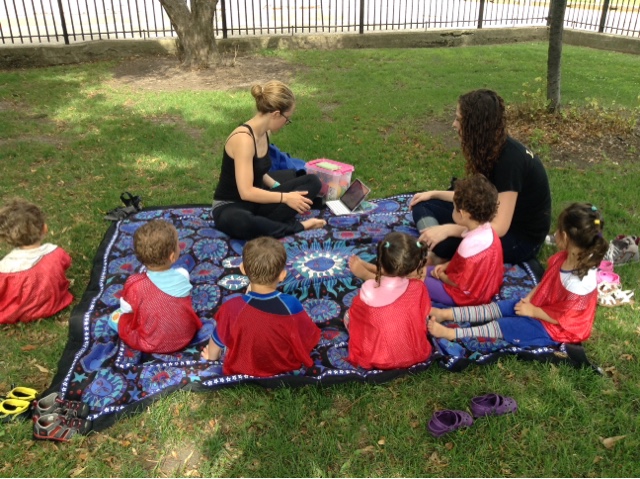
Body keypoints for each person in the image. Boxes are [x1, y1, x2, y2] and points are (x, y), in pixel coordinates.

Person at [428, 203, 608, 347]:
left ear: (566, 237)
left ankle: (452, 333)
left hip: (555, 327)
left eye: (558, 231)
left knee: (506, 326)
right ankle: (445, 314)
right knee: (501, 307)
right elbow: (547, 283)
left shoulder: (579, 284)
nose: (554, 233)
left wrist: (533, 311)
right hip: (543, 305)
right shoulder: (565, 257)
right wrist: (529, 299)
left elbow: (564, 318)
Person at [410, 89, 551, 265]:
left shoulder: (510, 161)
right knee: (422, 205)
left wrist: (449, 230)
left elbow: (500, 227)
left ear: (475, 125)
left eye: (459, 120)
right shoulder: (489, 148)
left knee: (445, 244)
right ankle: (434, 243)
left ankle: (438, 249)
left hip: (519, 238)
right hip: (487, 216)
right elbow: (474, 199)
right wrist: (433, 194)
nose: (454, 124)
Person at [212, 80, 326, 240]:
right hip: (232, 206)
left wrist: (278, 187)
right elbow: (246, 192)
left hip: (257, 201)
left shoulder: (265, 132)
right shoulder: (243, 140)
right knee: (243, 222)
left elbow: (258, 171)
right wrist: (285, 197)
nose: (286, 123)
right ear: (276, 114)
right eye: (287, 119)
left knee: (312, 182)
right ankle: (296, 227)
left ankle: (267, 225)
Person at [202, 236, 321, 377]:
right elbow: (308, 338)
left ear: (242, 269)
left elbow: (217, 342)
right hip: (284, 368)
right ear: (282, 275)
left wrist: (211, 357)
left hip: (242, 369)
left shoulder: (230, 308)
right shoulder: (291, 304)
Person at [110, 220, 203, 354]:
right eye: (178, 245)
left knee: (117, 318)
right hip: (186, 335)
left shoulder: (134, 284)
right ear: (172, 256)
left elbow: (126, 310)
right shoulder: (183, 275)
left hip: (151, 343)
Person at [345, 232, 433, 370]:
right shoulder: (418, 288)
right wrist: (365, 268)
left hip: (379, 357)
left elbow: (358, 315)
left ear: (380, 260)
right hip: (414, 353)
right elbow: (395, 275)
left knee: (349, 315)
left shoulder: (369, 288)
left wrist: (364, 274)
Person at [425, 175, 503, 306]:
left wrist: (442, 276)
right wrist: (445, 266)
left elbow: (458, 283)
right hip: (486, 288)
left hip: (466, 297)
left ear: (462, 213)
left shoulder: (468, 246)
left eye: (454, 207)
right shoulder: (490, 231)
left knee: (418, 278)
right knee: (424, 270)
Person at [0, 199, 73, 324]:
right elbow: (66, 263)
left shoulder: (5, 267)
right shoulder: (56, 252)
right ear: (45, 228)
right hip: (54, 304)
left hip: (21, 312)